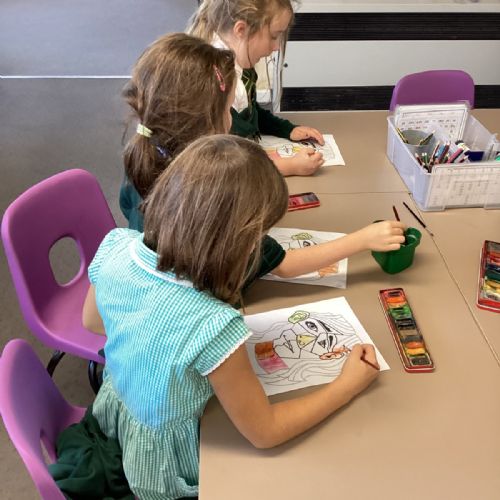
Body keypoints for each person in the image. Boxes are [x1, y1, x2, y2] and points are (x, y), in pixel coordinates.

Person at [83, 135, 381, 500]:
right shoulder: (214, 326)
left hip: (117, 412)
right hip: (164, 465)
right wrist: (347, 385)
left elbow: (93, 323)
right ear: (239, 242)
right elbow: (266, 432)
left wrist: (158, 347)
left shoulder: (116, 245)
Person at [188, 0, 325, 177]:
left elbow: (250, 113)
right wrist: (288, 166)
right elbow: (224, 163)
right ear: (241, 30)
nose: (276, 47)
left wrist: (286, 129)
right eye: (274, 36)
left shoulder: (241, 64)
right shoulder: (213, 81)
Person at [119, 32, 236, 231]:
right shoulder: (197, 195)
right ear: (204, 125)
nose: (231, 118)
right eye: (228, 109)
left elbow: (125, 206)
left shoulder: (143, 154)